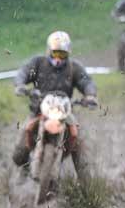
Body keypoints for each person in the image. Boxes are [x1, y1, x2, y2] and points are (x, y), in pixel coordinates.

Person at [12, 31, 98, 179]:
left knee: (78, 142)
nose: (58, 58)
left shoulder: (73, 67)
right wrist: (20, 85)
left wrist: (90, 95)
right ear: (49, 51)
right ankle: (24, 168)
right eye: (56, 53)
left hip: (65, 112)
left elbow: (86, 81)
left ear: (68, 54)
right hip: (39, 109)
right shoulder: (38, 63)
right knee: (19, 150)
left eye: (62, 54)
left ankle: (87, 188)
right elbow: (23, 72)